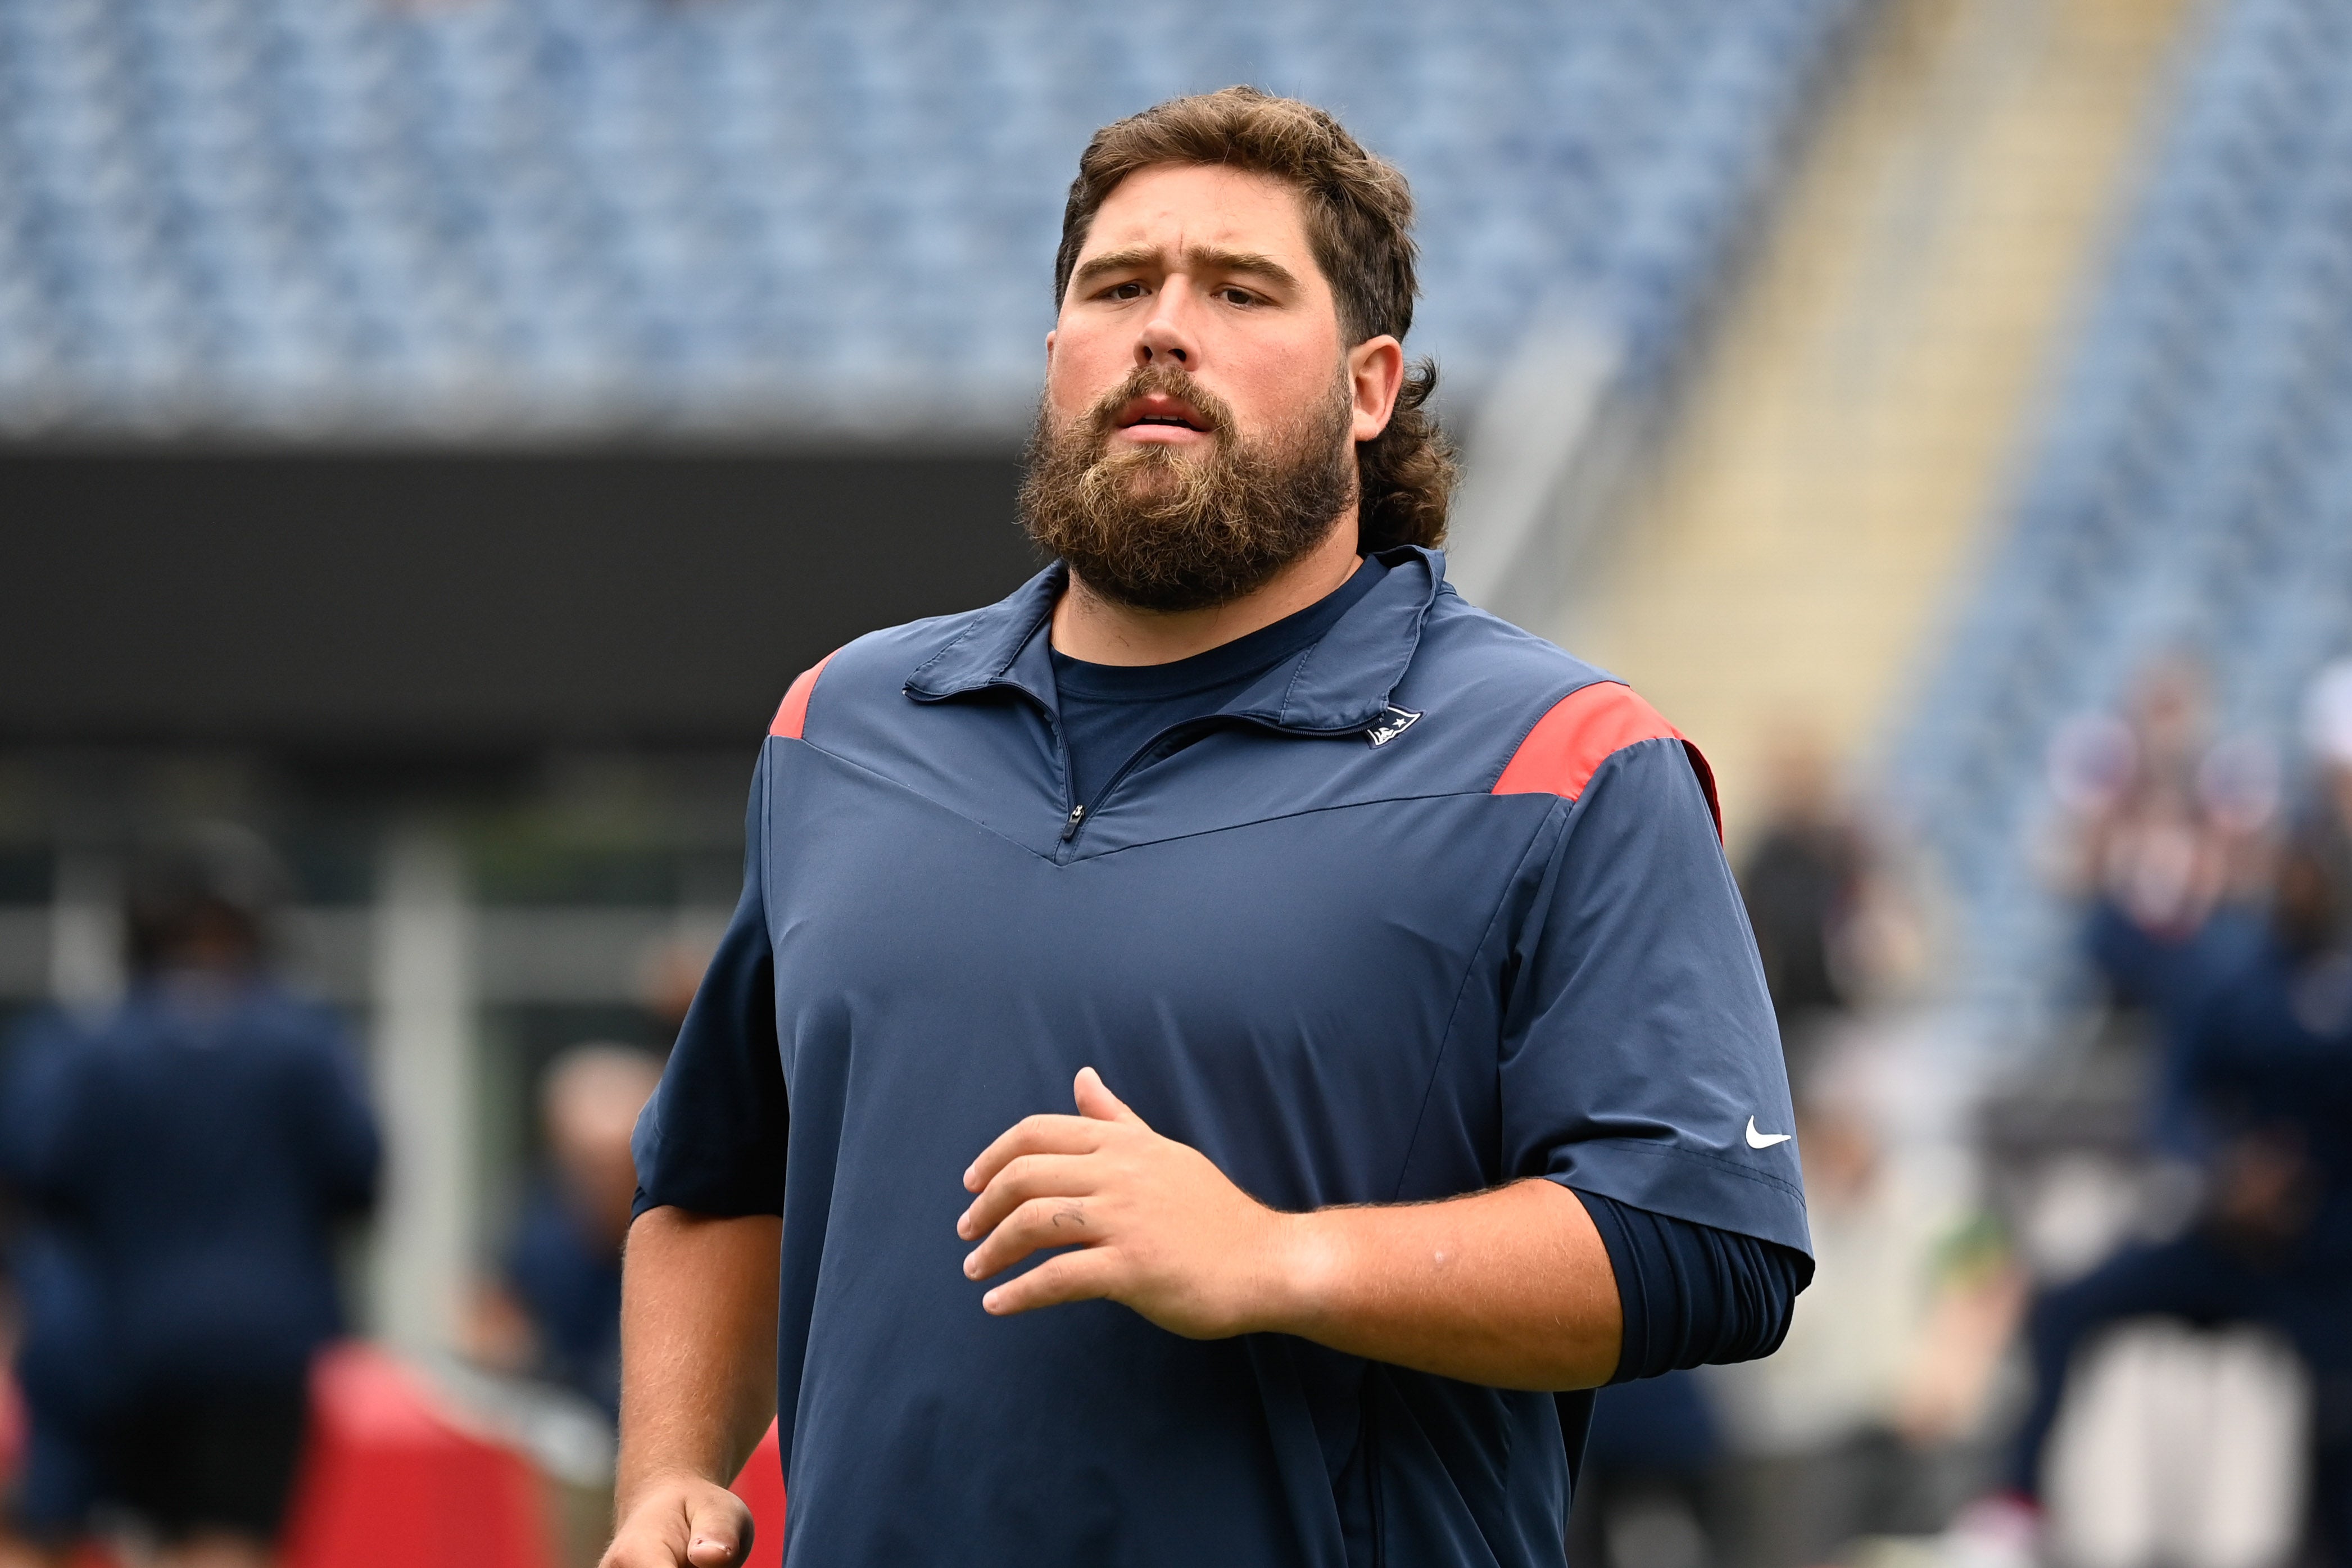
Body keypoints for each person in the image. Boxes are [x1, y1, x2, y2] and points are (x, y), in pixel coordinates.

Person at [608, 89, 1811, 1568]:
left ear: (1371, 389)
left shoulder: (1563, 756)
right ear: (1058, 357)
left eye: (1239, 290)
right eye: (1117, 287)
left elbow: (1708, 1244)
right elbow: (719, 1180)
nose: (1163, 327)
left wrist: (1281, 1253)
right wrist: (668, 1467)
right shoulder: (841, 725)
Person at [11, 827, 381, 1568]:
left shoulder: (92, 1045)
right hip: (262, 1343)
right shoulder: (303, 1043)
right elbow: (360, 1175)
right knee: (229, 1537)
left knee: (133, 1535)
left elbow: (38, 1174)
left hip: (125, 1336)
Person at [484, 1045, 665, 1422]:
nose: (602, 1182)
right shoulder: (532, 1228)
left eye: (620, 1162)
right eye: (587, 1164)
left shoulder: (686, 1236)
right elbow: (488, 1322)